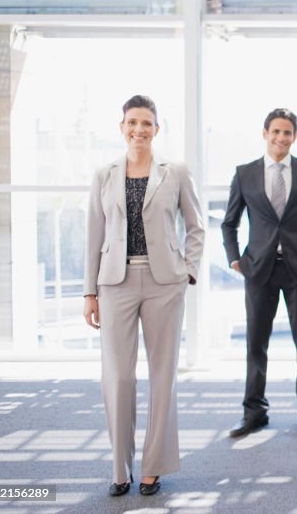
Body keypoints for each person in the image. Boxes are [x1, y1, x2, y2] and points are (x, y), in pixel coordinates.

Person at [83, 94, 204, 497]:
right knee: (117, 377)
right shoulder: (104, 174)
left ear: (156, 128)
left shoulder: (176, 172)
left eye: (146, 123)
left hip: (164, 284)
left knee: (162, 376)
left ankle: (153, 467)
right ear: (121, 127)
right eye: (132, 122)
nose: (139, 129)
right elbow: (94, 236)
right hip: (114, 283)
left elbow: (196, 226)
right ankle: (120, 468)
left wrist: (188, 270)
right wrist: (89, 292)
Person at [222, 108, 297, 437]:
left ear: (294, 137)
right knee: (256, 344)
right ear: (265, 133)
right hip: (259, 269)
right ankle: (254, 411)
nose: (281, 138)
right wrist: (235, 259)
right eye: (275, 132)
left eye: (287, 133)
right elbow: (229, 222)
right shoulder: (244, 173)